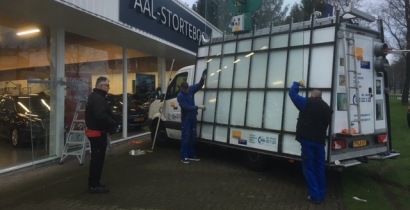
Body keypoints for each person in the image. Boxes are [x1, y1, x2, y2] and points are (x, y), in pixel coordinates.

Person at [288, 79, 333, 205]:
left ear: (312, 95)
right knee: (319, 169)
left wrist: (297, 84)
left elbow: (292, 94)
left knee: (309, 169)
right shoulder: (327, 109)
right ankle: (321, 194)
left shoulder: (307, 103)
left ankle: (315, 196)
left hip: (308, 142)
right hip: (320, 143)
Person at [85, 76, 117, 193]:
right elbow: (100, 116)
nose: (109, 88)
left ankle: (95, 183)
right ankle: (93, 185)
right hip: (97, 134)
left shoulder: (96, 97)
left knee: (97, 159)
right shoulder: (98, 99)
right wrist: (112, 122)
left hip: (97, 133)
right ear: (101, 86)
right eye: (107, 86)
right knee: (97, 160)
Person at [177, 69, 207, 164]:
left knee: (192, 137)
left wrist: (202, 78)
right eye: (185, 90)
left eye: (187, 89)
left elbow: (199, 85)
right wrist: (198, 107)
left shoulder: (190, 90)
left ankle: (191, 155)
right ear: (181, 88)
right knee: (186, 137)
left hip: (193, 118)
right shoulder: (180, 96)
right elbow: (186, 107)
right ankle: (184, 157)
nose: (187, 91)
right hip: (186, 120)